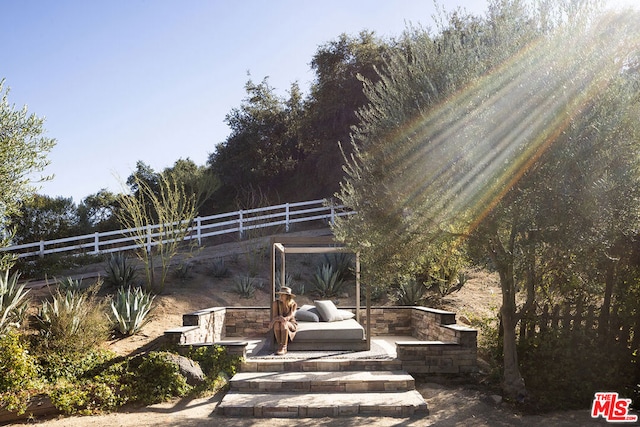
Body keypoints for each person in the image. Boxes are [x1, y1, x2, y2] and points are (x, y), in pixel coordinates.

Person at [270, 286, 297, 355]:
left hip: (290, 323)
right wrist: (276, 320)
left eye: (283, 295)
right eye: (280, 294)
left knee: (283, 323)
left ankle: (284, 347)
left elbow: (291, 315)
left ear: (287, 296)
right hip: (279, 321)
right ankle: (280, 346)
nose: (281, 296)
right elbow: (275, 316)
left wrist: (285, 319)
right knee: (277, 324)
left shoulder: (293, 304)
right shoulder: (276, 303)